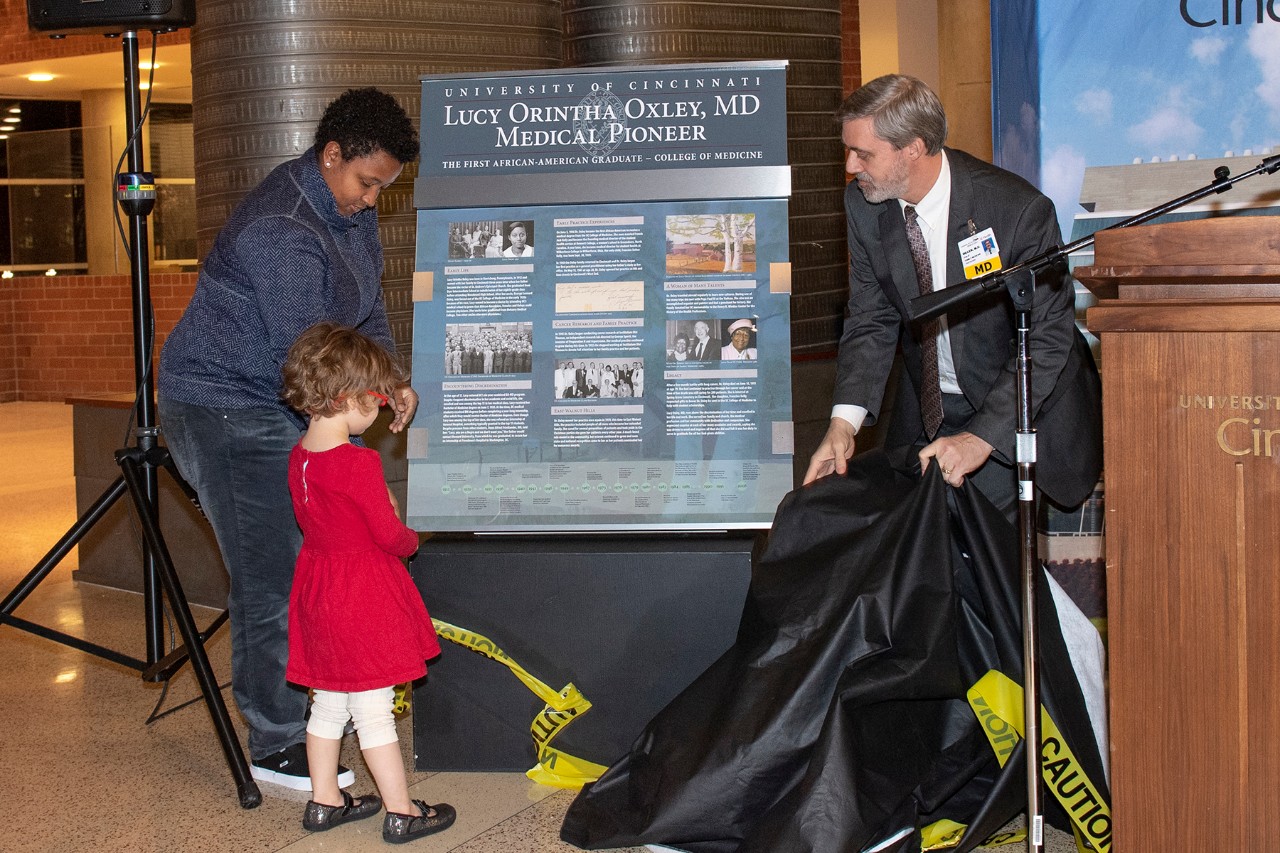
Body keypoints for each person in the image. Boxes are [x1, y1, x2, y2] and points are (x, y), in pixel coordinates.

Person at [158, 87, 422, 791]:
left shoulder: (345, 207)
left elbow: (366, 312)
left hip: (293, 396)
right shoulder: (281, 227)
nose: (372, 201)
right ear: (330, 155)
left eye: (383, 188)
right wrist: (363, 394)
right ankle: (275, 737)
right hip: (224, 406)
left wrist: (391, 377)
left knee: (323, 556)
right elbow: (306, 357)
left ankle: (329, 697)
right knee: (276, 573)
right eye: (368, 183)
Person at [803, 75, 1101, 519]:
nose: (849, 166)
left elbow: (1048, 338)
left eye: (863, 154)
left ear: (913, 147)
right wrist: (842, 424)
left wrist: (980, 438)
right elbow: (871, 317)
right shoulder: (865, 204)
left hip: (1006, 405)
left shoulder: (1016, 211)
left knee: (989, 565)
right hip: (926, 409)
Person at [277, 323, 455, 842]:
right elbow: (391, 538)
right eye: (376, 400)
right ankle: (402, 812)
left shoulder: (299, 457)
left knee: (328, 703)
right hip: (362, 596)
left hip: (318, 589)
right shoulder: (358, 463)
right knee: (374, 709)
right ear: (348, 398)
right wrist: (410, 533)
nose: (380, 410)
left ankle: (325, 800)